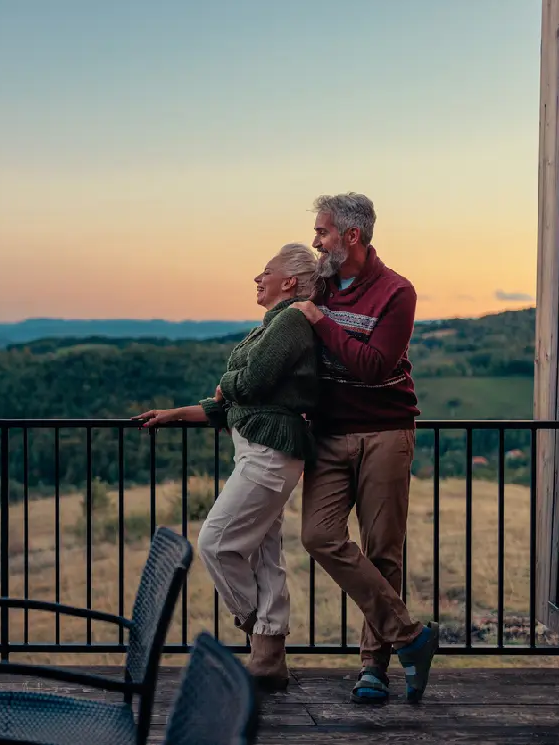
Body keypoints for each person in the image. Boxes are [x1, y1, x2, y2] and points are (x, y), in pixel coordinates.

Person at [133, 242, 319, 691]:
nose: (258, 278)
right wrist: (177, 414)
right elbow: (237, 401)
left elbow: (248, 383)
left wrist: (226, 385)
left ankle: (263, 638)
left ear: (289, 281)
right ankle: (269, 663)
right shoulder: (275, 325)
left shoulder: (291, 320)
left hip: (269, 456)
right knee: (265, 554)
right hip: (262, 452)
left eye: (266, 271)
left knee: (215, 542)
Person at [291, 192, 439, 705]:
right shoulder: (319, 286)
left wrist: (320, 322)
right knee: (318, 535)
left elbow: (375, 365)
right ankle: (412, 636)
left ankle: (373, 668)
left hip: (385, 431)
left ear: (351, 236)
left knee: (382, 549)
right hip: (329, 434)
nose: (316, 240)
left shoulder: (397, 292)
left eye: (323, 231)